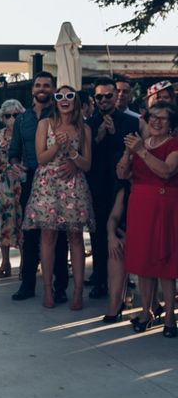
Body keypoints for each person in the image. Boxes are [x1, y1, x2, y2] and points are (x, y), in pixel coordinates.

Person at [23, 86, 94, 309]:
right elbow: (41, 158)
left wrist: (73, 156)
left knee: (75, 237)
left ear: (76, 100)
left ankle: (78, 293)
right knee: (48, 237)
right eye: (60, 96)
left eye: (69, 96)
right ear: (55, 101)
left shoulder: (84, 128)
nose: (64, 100)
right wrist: (57, 145)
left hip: (74, 186)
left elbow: (87, 164)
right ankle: (47, 290)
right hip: (47, 185)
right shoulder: (45, 124)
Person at [117, 101, 178, 338]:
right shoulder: (140, 143)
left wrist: (141, 151)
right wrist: (128, 153)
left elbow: (166, 171)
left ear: (171, 124)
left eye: (162, 118)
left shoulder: (173, 144)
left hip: (164, 207)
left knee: (165, 263)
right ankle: (147, 311)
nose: (156, 121)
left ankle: (171, 317)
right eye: (153, 116)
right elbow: (122, 174)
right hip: (140, 205)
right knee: (143, 262)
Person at [8, 72, 70, 303]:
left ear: (53, 89)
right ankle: (27, 284)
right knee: (30, 234)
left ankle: (60, 286)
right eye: (38, 85)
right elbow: (14, 152)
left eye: (46, 85)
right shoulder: (22, 120)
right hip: (31, 178)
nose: (42, 88)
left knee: (59, 235)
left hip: (58, 179)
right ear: (32, 89)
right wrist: (15, 166)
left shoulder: (60, 116)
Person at [85, 77, 139, 299]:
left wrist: (115, 133)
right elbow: (86, 157)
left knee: (121, 234)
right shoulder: (88, 124)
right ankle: (99, 281)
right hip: (97, 187)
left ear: (115, 96)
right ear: (95, 99)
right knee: (97, 237)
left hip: (122, 188)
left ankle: (123, 284)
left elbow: (132, 153)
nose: (105, 100)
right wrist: (97, 137)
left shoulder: (130, 122)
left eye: (109, 95)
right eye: (100, 96)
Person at [0, 99, 24, 278]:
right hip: (0, 185)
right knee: (2, 224)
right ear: (2, 118)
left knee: (21, 223)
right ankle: (5, 262)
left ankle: (26, 263)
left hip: (19, 184)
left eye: (16, 115)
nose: (12, 119)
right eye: (8, 115)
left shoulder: (25, 134)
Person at [102, 180, 131, 323]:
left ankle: (154, 305)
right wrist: (111, 235)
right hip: (125, 233)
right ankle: (115, 303)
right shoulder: (124, 189)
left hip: (147, 235)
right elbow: (113, 217)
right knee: (115, 248)